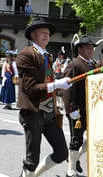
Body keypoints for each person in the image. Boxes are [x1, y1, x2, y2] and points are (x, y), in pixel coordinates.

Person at [16, 18, 72, 177]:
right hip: (33, 112)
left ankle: (35, 175)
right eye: (42, 33)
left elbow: (48, 83)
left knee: (61, 152)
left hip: (50, 112)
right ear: (33, 35)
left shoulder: (47, 55)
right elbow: (30, 88)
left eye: (48, 33)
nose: (46, 36)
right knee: (31, 160)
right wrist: (56, 85)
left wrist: (61, 87)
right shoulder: (26, 54)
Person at [63, 35, 100, 177]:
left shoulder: (92, 63)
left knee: (92, 137)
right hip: (77, 109)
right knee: (76, 139)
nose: (91, 51)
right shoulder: (74, 64)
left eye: (92, 48)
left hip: (90, 108)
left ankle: (74, 159)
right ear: (80, 49)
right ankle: (70, 170)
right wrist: (71, 108)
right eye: (88, 48)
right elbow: (68, 88)